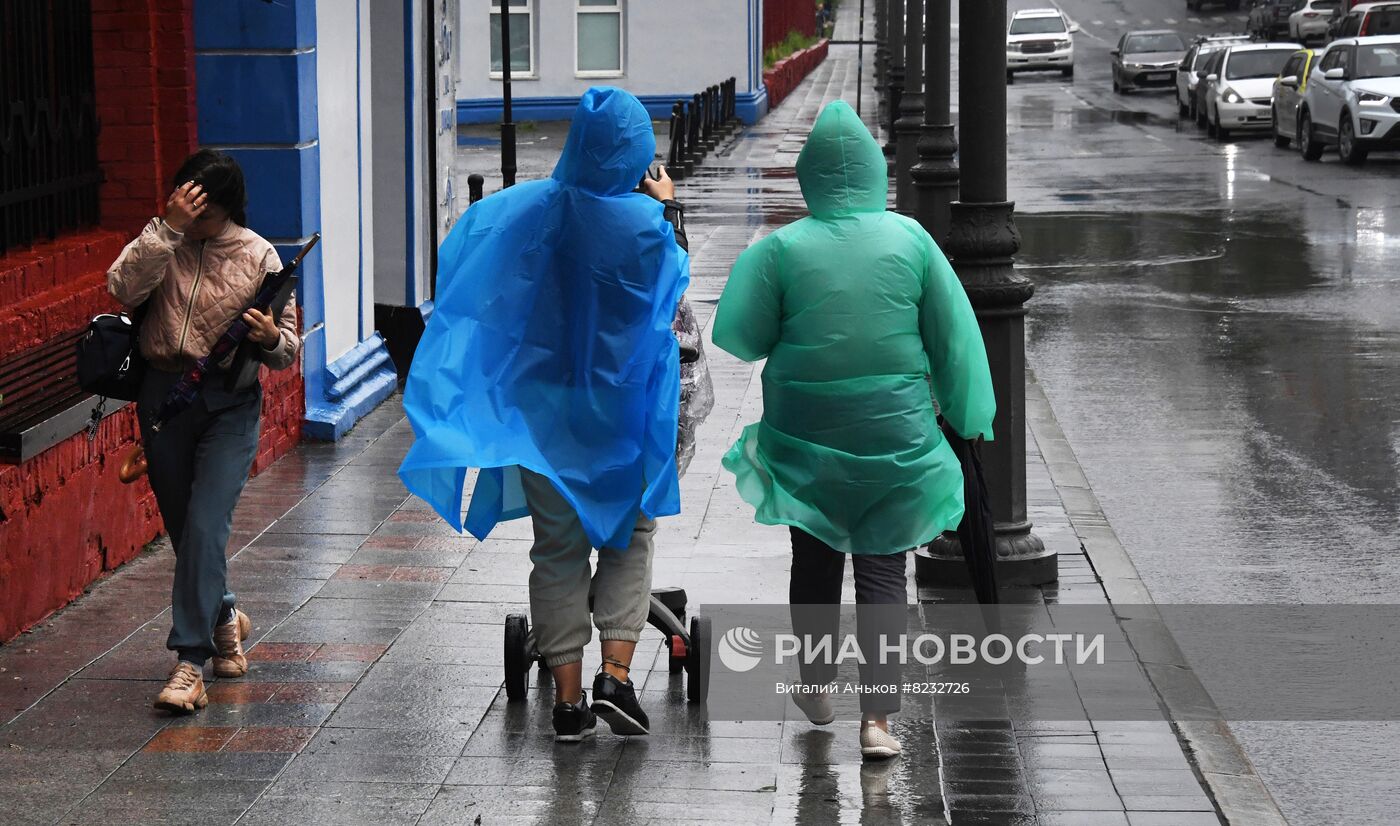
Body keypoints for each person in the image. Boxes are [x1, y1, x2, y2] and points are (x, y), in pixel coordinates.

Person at [398, 87, 698, 742]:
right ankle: (615, 677)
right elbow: (673, 302)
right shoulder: (649, 229)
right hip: (624, 416)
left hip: (545, 419)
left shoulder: (526, 214)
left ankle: (567, 704)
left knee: (556, 548)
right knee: (629, 536)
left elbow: (471, 270)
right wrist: (668, 209)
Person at [712, 100, 995, 760]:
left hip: (804, 432)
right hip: (891, 432)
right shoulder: (911, 240)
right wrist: (969, 414)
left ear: (810, 178)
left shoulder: (781, 249)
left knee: (812, 558)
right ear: (875, 173)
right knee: (882, 570)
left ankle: (814, 681)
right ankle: (878, 721)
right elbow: (954, 338)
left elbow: (744, 337)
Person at [107, 149, 300, 713]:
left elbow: (287, 351)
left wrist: (267, 338)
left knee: (206, 523)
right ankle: (224, 616)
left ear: (225, 208)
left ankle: (189, 662)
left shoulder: (259, 255)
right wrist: (167, 230)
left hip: (228, 405)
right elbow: (121, 288)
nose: (195, 221)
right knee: (185, 532)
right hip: (164, 397)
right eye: (185, 206)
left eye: (202, 212)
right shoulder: (163, 239)